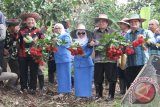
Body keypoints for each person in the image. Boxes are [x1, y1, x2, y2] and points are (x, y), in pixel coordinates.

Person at [89, 14, 117, 101]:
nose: (101, 23)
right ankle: (98, 94)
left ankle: (111, 95)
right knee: (98, 77)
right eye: (99, 21)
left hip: (110, 59)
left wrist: (113, 44)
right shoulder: (93, 32)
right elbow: (89, 43)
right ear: (97, 23)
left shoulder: (113, 32)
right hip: (98, 59)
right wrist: (90, 44)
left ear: (107, 23)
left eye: (103, 21)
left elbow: (118, 43)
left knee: (111, 78)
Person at [125, 14, 156, 89]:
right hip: (130, 62)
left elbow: (154, 44)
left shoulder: (146, 32)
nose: (133, 23)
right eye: (131, 22)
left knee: (143, 82)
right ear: (129, 23)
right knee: (130, 82)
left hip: (143, 62)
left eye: (135, 21)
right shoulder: (127, 34)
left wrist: (145, 39)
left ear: (139, 23)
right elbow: (123, 46)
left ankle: (143, 99)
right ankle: (131, 98)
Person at [18, 12, 44, 94]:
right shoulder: (21, 30)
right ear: (25, 21)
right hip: (22, 54)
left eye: (32, 20)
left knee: (34, 71)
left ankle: (33, 88)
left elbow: (42, 41)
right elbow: (17, 40)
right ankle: (23, 88)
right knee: (23, 71)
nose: (30, 22)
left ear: (35, 21)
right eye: (29, 20)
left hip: (34, 54)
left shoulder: (38, 30)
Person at [73, 24, 94, 98]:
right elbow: (71, 51)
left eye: (83, 33)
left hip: (86, 63)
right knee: (78, 79)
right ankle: (79, 94)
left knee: (86, 80)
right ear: (77, 33)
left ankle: (87, 94)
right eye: (79, 33)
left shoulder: (89, 41)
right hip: (77, 63)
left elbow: (90, 51)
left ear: (85, 33)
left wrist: (84, 55)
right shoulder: (74, 42)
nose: (81, 34)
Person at [54, 23, 72, 95]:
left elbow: (66, 44)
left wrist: (57, 41)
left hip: (65, 58)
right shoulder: (54, 36)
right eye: (56, 28)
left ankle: (67, 91)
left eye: (59, 28)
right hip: (58, 58)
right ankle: (61, 90)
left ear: (62, 29)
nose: (58, 30)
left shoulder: (66, 35)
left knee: (66, 74)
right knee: (60, 75)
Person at [3, 19, 20, 85]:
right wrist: (3, 49)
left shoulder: (17, 33)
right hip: (3, 55)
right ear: (12, 26)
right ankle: (1, 85)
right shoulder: (3, 32)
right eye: (16, 26)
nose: (18, 27)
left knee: (17, 71)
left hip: (14, 55)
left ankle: (10, 85)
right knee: (2, 70)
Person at [117, 18, 130, 95]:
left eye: (122, 24)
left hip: (127, 55)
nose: (120, 25)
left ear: (126, 25)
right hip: (120, 55)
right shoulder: (119, 34)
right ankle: (122, 91)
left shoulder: (129, 33)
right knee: (120, 73)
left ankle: (128, 90)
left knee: (127, 73)